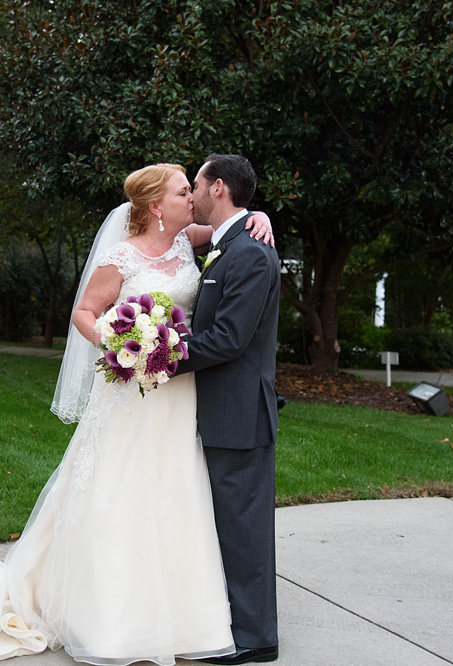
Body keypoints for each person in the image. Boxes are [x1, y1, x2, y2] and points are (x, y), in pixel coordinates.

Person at [0, 164, 275, 665]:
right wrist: (123, 346)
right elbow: (83, 312)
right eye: (184, 191)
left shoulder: (191, 238)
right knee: (117, 492)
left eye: (195, 188)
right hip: (131, 389)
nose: (193, 197)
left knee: (176, 495)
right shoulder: (122, 254)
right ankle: (111, 617)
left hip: (178, 397)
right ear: (157, 206)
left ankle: (184, 614)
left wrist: (261, 215)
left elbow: (234, 222)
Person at [175, 155, 280, 665]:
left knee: (243, 528)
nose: (191, 193)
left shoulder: (251, 255)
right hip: (218, 410)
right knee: (224, 525)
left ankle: (256, 639)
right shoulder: (229, 245)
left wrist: (159, 358)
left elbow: (230, 339)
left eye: (196, 184)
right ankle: (231, 625)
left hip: (239, 413)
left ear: (218, 188)